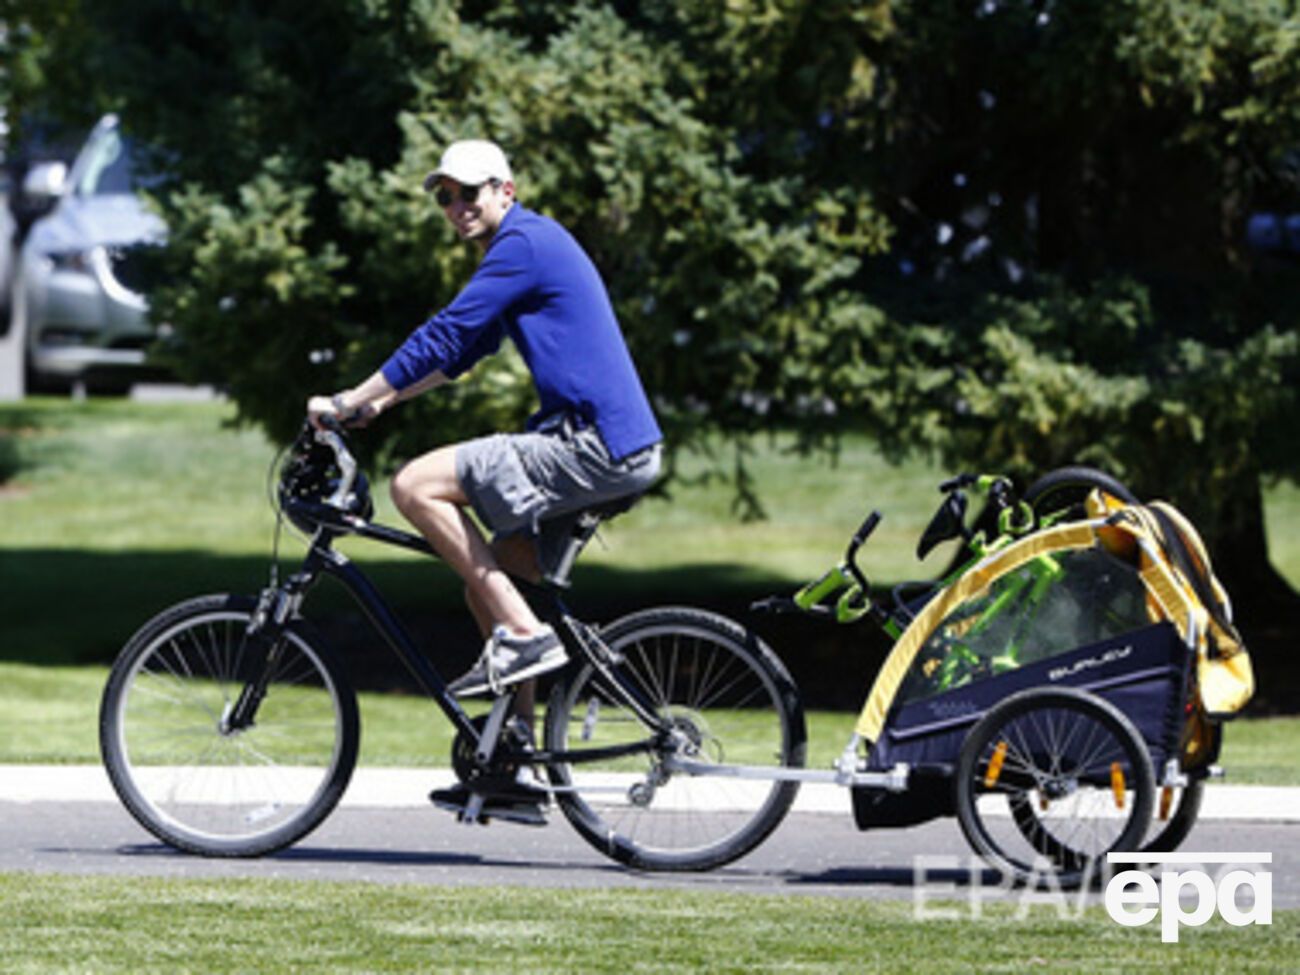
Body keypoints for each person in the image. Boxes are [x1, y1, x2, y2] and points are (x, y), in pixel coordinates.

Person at [307, 139, 662, 822]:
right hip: (610, 446)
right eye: (444, 195)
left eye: (470, 192)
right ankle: (511, 764)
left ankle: (526, 637)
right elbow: (466, 350)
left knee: (416, 486)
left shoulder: (523, 243)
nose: (457, 206)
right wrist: (385, 401)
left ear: (507, 189)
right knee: (496, 579)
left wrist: (353, 396)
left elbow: (446, 332)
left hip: (592, 443)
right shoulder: (525, 249)